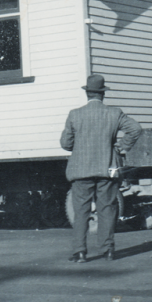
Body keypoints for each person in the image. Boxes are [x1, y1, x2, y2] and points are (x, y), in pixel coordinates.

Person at [60, 74, 142, 263]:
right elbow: (135, 129)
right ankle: (108, 251)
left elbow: (65, 143)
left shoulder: (75, 114)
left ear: (87, 93)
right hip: (107, 168)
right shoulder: (114, 113)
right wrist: (122, 147)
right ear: (103, 94)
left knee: (81, 210)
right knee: (107, 208)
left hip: (80, 170)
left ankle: (80, 252)